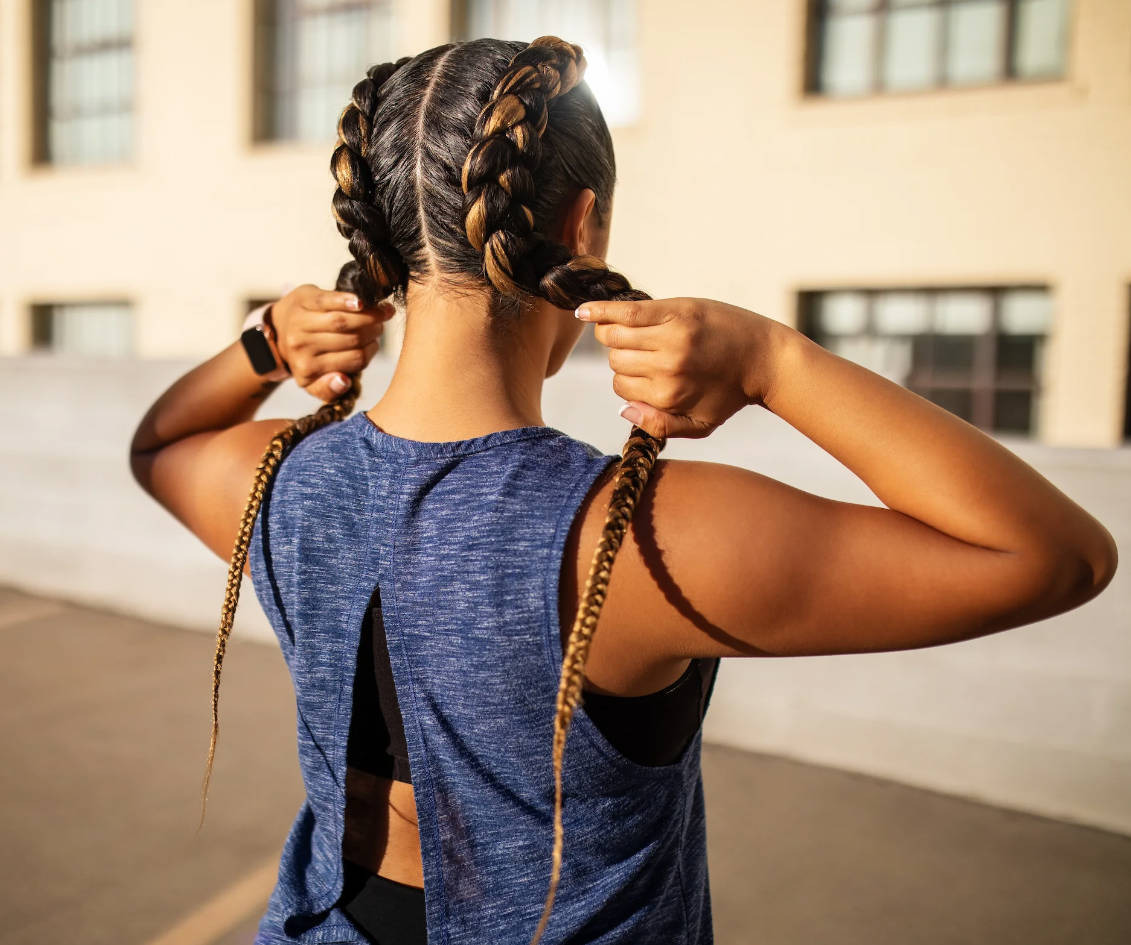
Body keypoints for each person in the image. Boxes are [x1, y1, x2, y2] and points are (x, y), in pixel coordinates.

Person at [128, 35, 1118, 945]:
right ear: (582, 226)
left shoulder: (277, 476)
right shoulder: (638, 533)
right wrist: (779, 362)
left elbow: (160, 443)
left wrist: (263, 343)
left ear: (379, 238)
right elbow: (1053, 556)